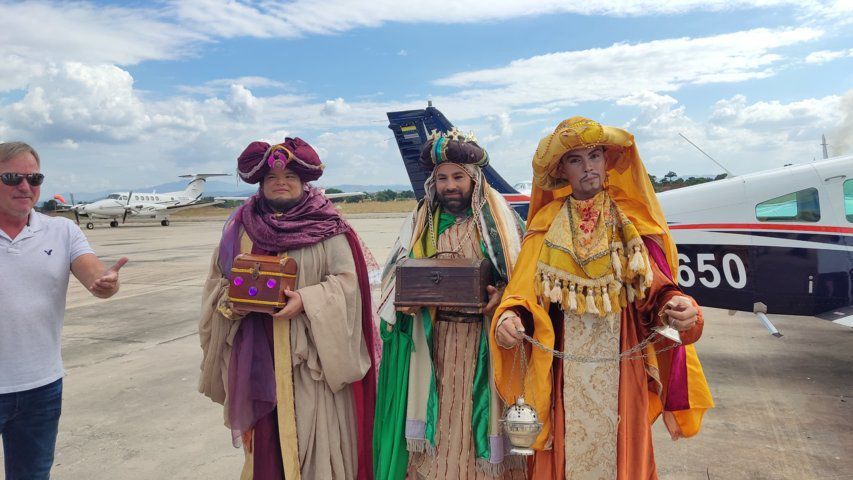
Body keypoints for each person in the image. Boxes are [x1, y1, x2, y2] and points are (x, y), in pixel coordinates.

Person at [489, 118, 714, 479]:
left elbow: (656, 290)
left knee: (622, 447)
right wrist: (511, 318)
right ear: (562, 170)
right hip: (563, 367)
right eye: (576, 160)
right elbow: (524, 293)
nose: (588, 166)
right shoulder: (546, 225)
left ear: (606, 161)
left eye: (594, 155)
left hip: (622, 366)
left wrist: (678, 308)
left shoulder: (631, 222)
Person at [197, 137, 378, 480]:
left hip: (311, 360)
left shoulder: (329, 227)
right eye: (272, 179)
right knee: (265, 443)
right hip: (255, 354)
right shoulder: (242, 228)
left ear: (303, 183)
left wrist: (306, 301)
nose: (281, 183)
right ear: (262, 184)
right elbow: (217, 281)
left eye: (289, 178)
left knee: (312, 437)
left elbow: (349, 284)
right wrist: (231, 305)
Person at [373, 129, 527, 479]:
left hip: (484, 342)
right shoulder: (419, 222)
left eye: (458, 176)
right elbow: (394, 272)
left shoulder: (501, 224)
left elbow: (522, 276)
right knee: (440, 418)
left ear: (474, 179)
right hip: (433, 341)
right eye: (442, 178)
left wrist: (503, 296)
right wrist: (404, 300)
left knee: (477, 415)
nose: (450, 185)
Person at [0, 141, 127, 480]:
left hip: (41, 386)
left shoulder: (62, 230)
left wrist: (106, 282)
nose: (25, 187)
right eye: (12, 178)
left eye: (34, 178)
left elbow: (92, 272)